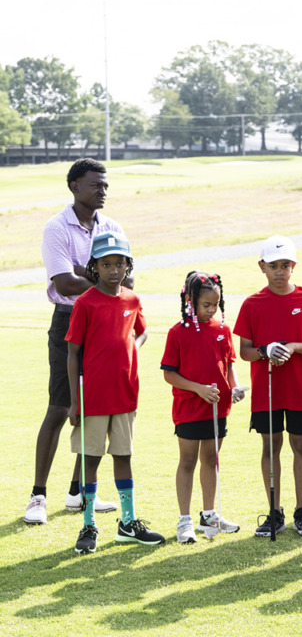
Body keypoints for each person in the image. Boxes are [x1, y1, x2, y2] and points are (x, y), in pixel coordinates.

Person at [25, 158, 126, 525]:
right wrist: (103, 284)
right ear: (74, 186)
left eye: (105, 185)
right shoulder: (57, 227)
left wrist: (103, 283)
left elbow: (127, 278)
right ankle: (38, 495)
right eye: (95, 184)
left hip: (107, 325)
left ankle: (79, 491)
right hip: (69, 321)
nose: (103, 190)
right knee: (60, 406)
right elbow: (64, 283)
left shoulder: (111, 227)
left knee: (95, 409)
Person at [66, 231, 164, 553]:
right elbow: (72, 354)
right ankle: (89, 525)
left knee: (124, 456)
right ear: (95, 266)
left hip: (125, 395)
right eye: (105, 264)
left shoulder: (132, 300)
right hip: (92, 398)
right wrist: (74, 401)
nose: (112, 271)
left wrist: (132, 349)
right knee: (90, 460)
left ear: (127, 266)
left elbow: (143, 332)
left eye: (118, 264)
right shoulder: (85, 303)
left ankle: (128, 523)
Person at [234, 236, 302, 538]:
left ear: (293, 266)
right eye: (273, 265)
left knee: (301, 444)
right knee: (270, 447)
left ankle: (301, 511)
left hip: (299, 388)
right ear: (262, 266)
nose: (280, 271)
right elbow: (244, 350)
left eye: (285, 265)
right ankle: (274, 511)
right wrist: (265, 351)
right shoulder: (252, 304)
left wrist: (294, 347)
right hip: (267, 390)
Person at [161, 271, 245, 544]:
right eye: (206, 305)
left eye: (216, 304)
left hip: (217, 408)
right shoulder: (177, 333)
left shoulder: (223, 330)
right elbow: (169, 373)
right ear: (191, 301)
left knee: (211, 459)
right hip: (189, 407)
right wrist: (198, 389)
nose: (212, 310)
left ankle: (209, 515)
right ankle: (184, 521)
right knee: (188, 461)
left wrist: (234, 387)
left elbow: (229, 364)